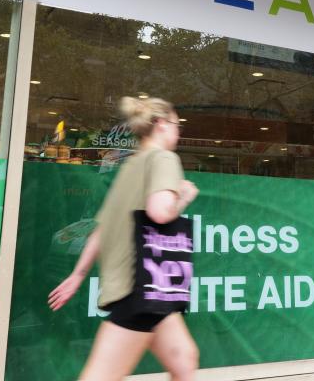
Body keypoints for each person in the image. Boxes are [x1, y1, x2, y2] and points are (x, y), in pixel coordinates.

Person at [48, 96, 200, 381]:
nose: (179, 132)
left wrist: (77, 277)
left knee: (184, 359)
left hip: (149, 290)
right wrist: (183, 197)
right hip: (140, 287)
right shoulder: (164, 159)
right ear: (160, 124)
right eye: (177, 125)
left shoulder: (131, 166)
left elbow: (100, 230)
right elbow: (159, 211)